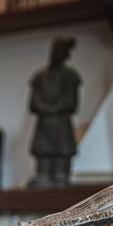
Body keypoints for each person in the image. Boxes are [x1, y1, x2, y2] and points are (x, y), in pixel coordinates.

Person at [27, 36, 81, 187]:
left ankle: (59, 175)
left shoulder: (70, 76)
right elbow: (33, 103)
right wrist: (46, 109)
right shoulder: (40, 77)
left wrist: (54, 108)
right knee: (43, 160)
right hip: (44, 125)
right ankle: (44, 175)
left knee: (61, 169)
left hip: (61, 126)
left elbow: (72, 103)